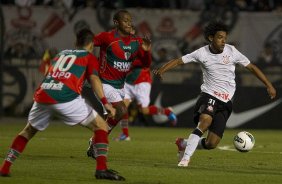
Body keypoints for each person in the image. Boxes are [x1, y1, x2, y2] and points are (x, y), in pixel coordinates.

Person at [0, 28, 125, 181]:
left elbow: (51, 74)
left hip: (43, 95)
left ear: (75, 42)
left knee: (27, 132)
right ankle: (101, 169)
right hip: (65, 97)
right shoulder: (89, 57)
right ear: (92, 44)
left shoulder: (62, 53)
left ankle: (5, 167)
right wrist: (106, 103)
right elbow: (94, 80)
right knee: (102, 127)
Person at [153, 21, 276, 167]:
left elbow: (252, 67)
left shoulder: (232, 51)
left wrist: (268, 85)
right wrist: (162, 70)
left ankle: (183, 143)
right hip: (209, 95)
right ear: (211, 38)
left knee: (212, 143)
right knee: (204, 122)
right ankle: (185, 159)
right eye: (220, 37)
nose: (223, 41)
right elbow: (179, 61)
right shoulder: (201, 53)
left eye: (225, 37)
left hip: (226, 102)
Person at [86, 9, 152, 155]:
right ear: (116, 22)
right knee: (121, 110)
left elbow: (146, 64)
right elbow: (88, 45)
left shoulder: (137, 41)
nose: (129, 23)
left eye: (130, 20)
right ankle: (99, 143)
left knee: (112, 116)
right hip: (104, 83)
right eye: (125, 20)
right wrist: (89, 66)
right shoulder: (107, 37)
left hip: (120, 86)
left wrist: (146, 51)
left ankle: (95, 141)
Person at [115, 27, 177, 141]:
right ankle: (125, 134)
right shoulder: (120, 45)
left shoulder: (140, 44)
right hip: (128, 82)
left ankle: (167, 111)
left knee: (144, 110)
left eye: (130, 32)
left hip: (142, 81)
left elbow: (146, 62)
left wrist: (143, 53)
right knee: (123, 108)